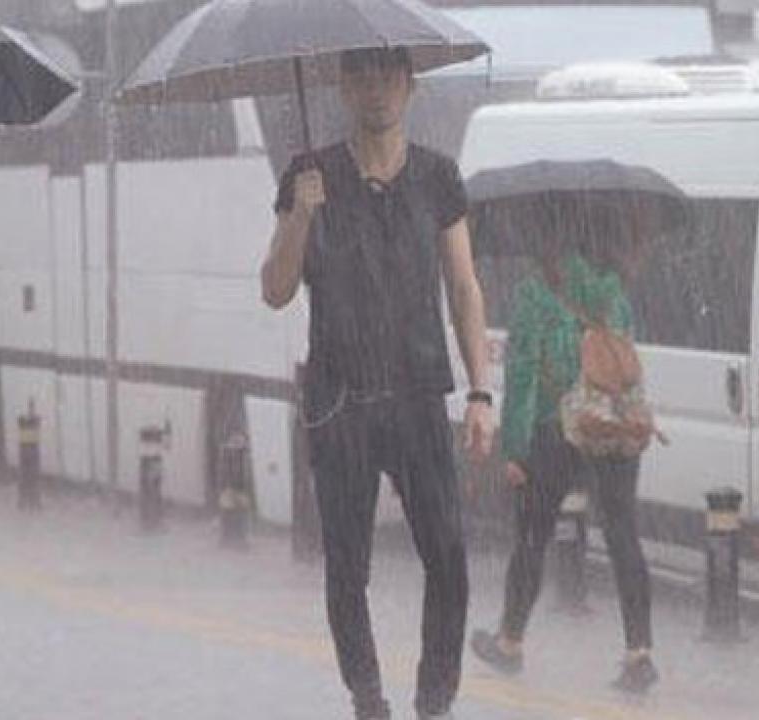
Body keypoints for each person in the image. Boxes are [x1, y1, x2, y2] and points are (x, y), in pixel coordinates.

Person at [261, 47, 495, 720]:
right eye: (362, 77)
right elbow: (275, 290)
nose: (376, 91)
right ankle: (367, 697)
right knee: (347, 569)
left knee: (448, 560)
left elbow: (464, 288)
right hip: (341, 403)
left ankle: (434, 700)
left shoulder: (437, 177)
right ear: (342, 87)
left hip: (418, 396)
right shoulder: (309, 175)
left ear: (409, 86)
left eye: (388, 78)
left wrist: (480, 391)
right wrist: (301, 215)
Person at [470, 207, 658, 694]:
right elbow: (622, 360)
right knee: (623, 536)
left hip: (555, 428)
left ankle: (510, 642)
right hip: (612, 426)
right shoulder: (615, 292)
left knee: (532, 538)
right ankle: (639, 653)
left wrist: (515, 449)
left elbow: (523, 373)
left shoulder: (536, 293)